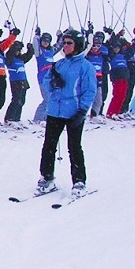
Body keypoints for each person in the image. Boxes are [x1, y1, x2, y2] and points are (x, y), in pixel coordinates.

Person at [37, 29, 96, 197]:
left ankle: (79, 181)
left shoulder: (85, 66)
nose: (66, 46)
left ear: (77, 45)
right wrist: (53, 82)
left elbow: (90, 90)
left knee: (74, 147)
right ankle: (47, 178)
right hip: (55, 111)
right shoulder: (59, 64)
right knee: (49, 145)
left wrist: (82, 110)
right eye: (64, 43)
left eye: (69, 43)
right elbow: (47, 82)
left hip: (73, 112)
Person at [31, 28, 60, 123]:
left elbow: (60, 45)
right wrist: (37, 35)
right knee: (47, 99)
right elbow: (35, 43)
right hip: (42, 79)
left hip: (51, 79)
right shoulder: (39, 52)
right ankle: (38, 119)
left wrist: (61, 35)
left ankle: (46, 118)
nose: (45, 43)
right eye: (44, 41)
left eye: (47, 41)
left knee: (52, 99)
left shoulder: (51, 51)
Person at [3, 40, 34, 125]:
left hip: (23, 81)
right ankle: (9, 118)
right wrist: (14, 47)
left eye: (19, 50)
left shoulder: (20, 59)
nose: (18, 52)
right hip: (15, 81)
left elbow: (28, 56)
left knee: (22, 101)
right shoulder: (10, 59)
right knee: (16, 100)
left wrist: (30, 49)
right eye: (16, 50)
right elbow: (9, 55)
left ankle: (16, 118)